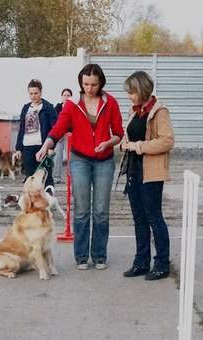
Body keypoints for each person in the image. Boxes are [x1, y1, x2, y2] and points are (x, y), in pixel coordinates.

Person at [36, 64, 123, 271]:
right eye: (86, 84)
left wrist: (108, 143)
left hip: (105, 160)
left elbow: (119, 133)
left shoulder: (110, 102)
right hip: (79, 160)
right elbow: (59, 128)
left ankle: (100, 256)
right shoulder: (72, 104)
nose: (90, 88)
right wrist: (46, 145)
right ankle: (82, 257)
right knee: (82, 210)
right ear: (80, 83)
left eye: (94, 84)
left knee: (101, 210)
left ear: (101, 83)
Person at [119, 71, 175, 281]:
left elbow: (167, 141)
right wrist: (125, 144)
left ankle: (161, 263)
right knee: (139, 218)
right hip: (133, 170)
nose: (129, 96)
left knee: (154, 217)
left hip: (151, 172)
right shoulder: (136, 111)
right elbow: (132, 136)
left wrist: (138, 146)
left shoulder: (159, 111)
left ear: (142, 90)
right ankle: (141, 262)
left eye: (132, 92)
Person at [15, 79, 58, 188]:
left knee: (45, 174)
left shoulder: (48, 107)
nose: (33, 96)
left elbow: (55, 129)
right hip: (27, 146)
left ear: (41, 92)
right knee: (30, 176)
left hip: (42, 146)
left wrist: (52, 146)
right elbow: (21, 128)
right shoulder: (25, 108)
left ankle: (49, 199)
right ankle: (33, 202)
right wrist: (19, 148)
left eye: (36, 93)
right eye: (31, 93)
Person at [52, 88, 73, 183]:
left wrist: (70, 132)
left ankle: (72, 177)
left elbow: (75, 122)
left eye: (68, 95)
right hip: (59, 136)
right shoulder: (57, 108)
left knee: (71, 157)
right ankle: (56, 178)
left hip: (68, 135)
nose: (66, 97)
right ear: (61, 97)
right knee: (57, 157)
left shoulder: (74, 108)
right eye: (64, 95)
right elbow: (55, 122)